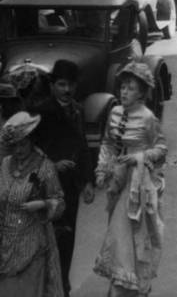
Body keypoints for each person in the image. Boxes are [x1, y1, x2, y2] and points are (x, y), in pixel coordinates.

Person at [93, 61, 166, 297]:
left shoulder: (148, 118)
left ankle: (128, 289)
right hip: (118, 180)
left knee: (130, 233)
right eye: (123, 87)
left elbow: (161, 149)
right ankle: (122, 286)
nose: (124, 92)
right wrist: (102, 169)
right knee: (119, 237)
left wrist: (138, 157)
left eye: (131, 88)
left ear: (142, 93)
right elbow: (108, 143)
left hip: (139, 184)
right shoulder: (114, 112)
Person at [31, 60, 95, 297]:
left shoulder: (77, 109)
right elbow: (30, 150)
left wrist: (88, 181)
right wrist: (52, 165)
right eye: (61, 84)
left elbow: (83, 146)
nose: (67, 90)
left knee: (67, 239)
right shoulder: (41, 112)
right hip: (45, 188)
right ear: (52, 85)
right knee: (47, 241)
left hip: (70, 188)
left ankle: (63, 288)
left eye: (71, 85)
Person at [0, 111, 65, 296]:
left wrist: (43, 204)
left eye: (23, 144)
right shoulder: (5, 164)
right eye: (14, 145)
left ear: (32, 140)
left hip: (32, 245)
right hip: (5, 246)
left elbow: (59, 202)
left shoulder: (45, 167)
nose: (18, 150)